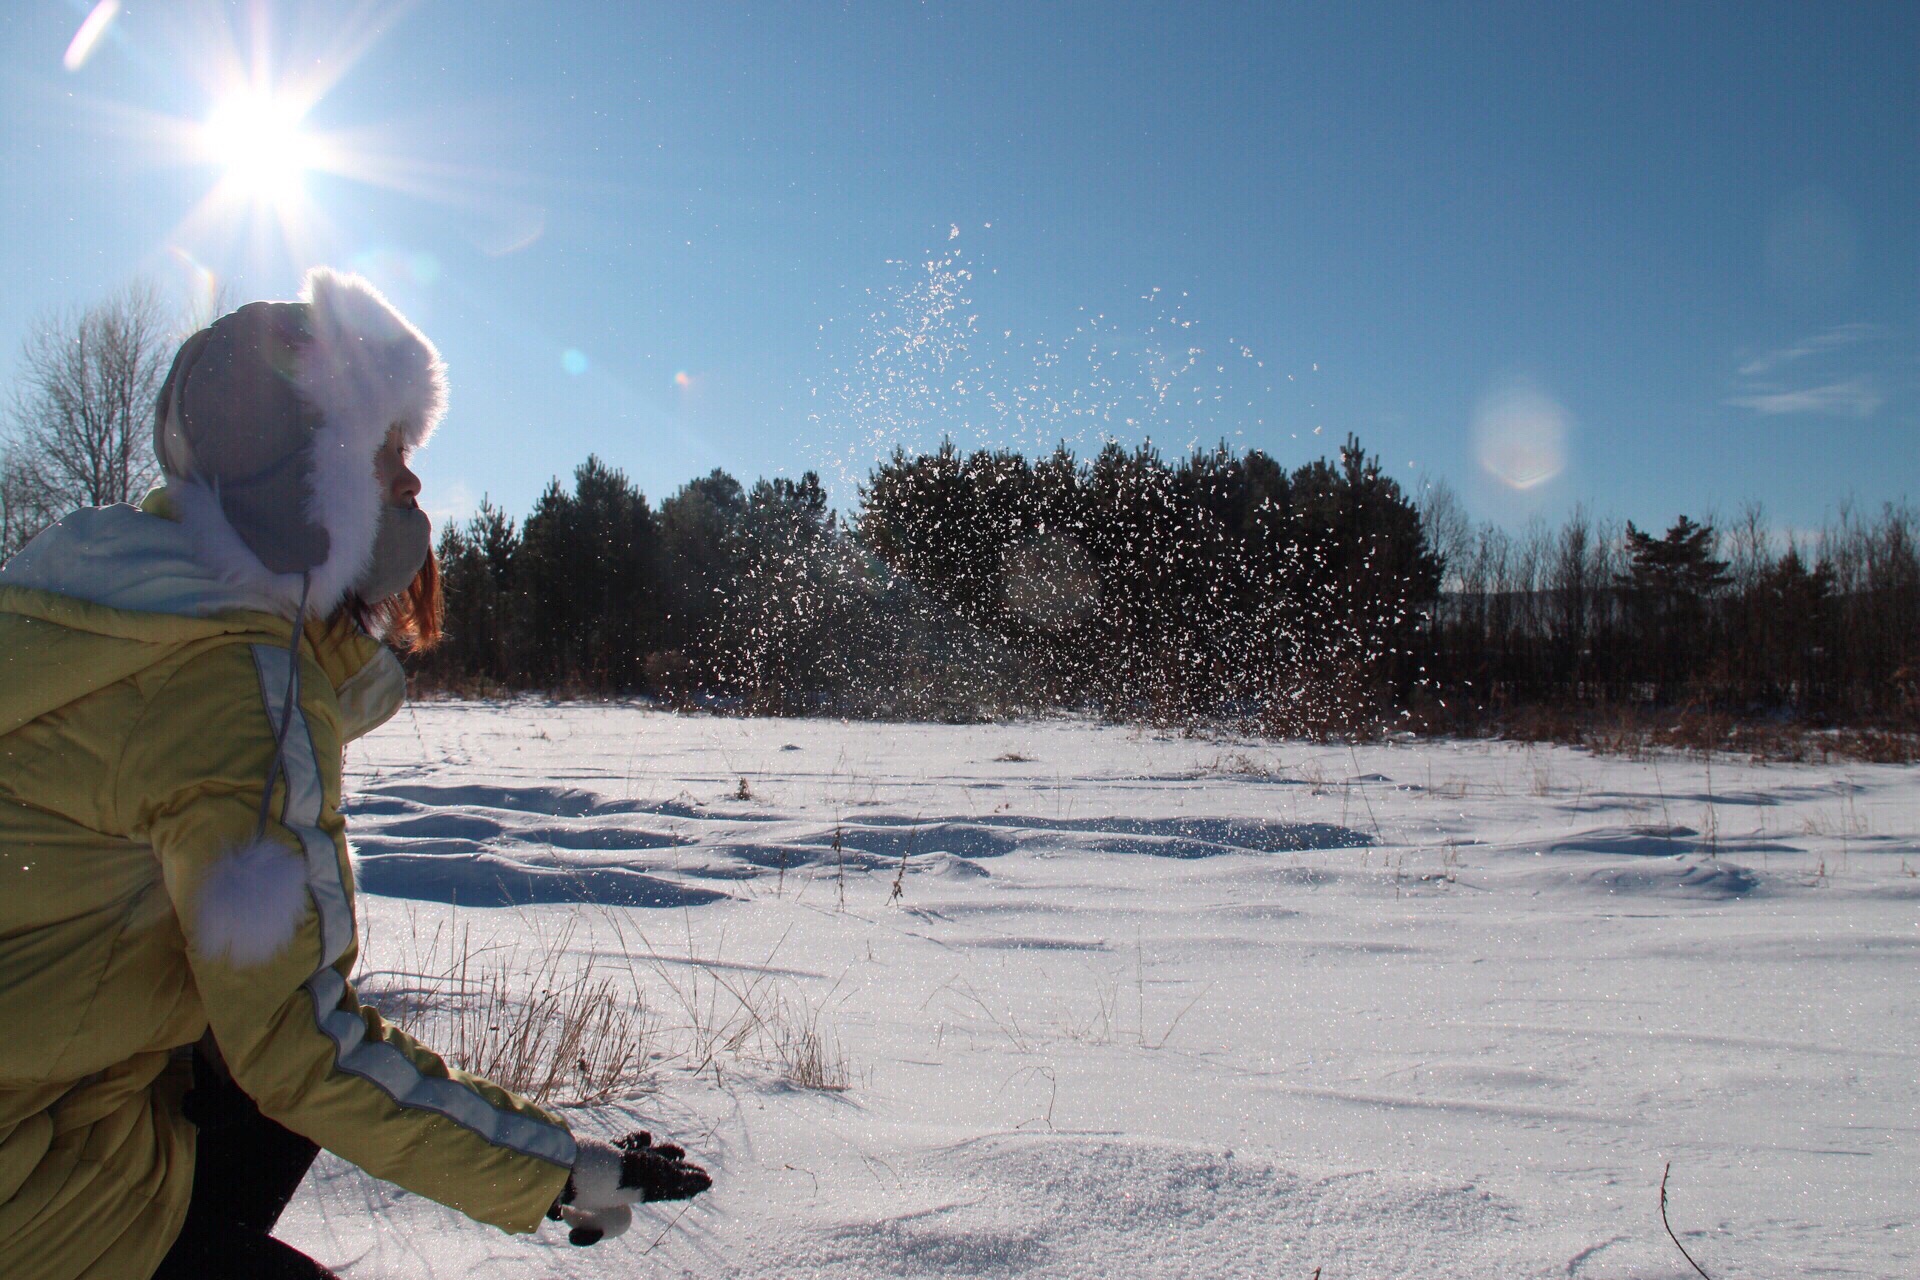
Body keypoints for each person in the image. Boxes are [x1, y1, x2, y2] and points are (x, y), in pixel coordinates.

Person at [0, 270, 710, 1280]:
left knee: (252, 1090)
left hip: (63, 1101)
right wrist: (553, 1168)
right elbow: (306, 1047)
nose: (414, 489)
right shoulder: (227, 689)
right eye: (386, 459)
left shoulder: (121, 611)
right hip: (30, 1188)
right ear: (308, 489)